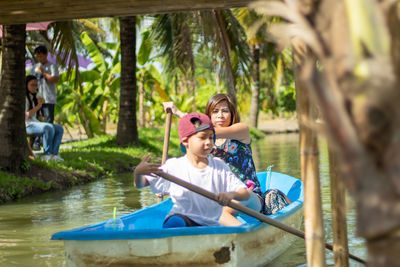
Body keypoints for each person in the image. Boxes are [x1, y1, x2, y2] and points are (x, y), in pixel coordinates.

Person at [164, 93, 291, 226]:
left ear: (232, 114)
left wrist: (178, 112)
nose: (220, 115)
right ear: (209, 116)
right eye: (215, 111)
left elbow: (209, 131)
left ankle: (245, 236)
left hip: (248, 196)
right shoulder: (205, 145)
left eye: (225, 111)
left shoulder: (241, 131)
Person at [134, 113, 250, 228]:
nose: (208, 142)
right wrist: (138, 172)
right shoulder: (174, 166)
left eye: (211, 137)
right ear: (185, 141)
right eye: (202, 137)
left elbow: (245, 194)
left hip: (210, 224)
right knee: (175, 222)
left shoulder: (219, 167)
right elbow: (140, 184)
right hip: (183, 219)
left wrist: (231, 194)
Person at [25, 75, 64, 161]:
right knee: (48, 127)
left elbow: (38, 116)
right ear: (26, 85)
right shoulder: (23, 98)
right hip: (27, 124)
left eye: (36, 85)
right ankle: (47, 154)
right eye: (32, 85)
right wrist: (39, 106)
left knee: (59, 128)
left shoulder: (35, 97)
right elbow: (25, 116)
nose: (35, 87)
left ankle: (54, 154)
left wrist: (44, 122)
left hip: (36, 123)